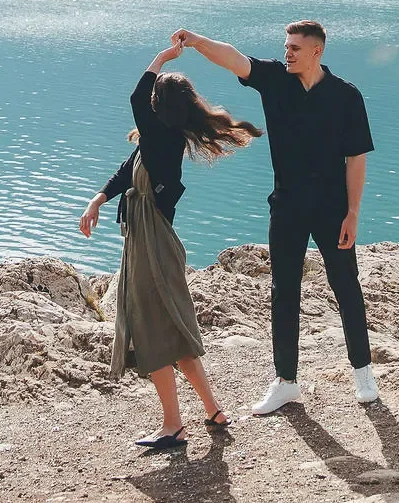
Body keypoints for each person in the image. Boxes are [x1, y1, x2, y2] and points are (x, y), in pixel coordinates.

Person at [172, 21, 379, 414]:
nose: (287, 53)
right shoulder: (275, 80)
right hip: (286, 206)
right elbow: (233, 58)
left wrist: (353, 212)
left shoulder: (346, 96)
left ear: (317, 51)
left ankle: (363, 372)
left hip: (333, 209)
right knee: (284, 291)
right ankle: (286, 381)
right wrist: (197, 41)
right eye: (286, 46)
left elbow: (356, 158)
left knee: (346, 286)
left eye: (295, 48)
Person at [79, 43, 262, 450]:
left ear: (158, 105)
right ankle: (213, 411)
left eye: (153, 97)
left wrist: (162, 58)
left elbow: (135, 98)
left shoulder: (162, 138)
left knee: (151, 330)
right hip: (151, 242)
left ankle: (173, 426)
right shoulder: (157, 140)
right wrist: (98, 200)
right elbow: (127, 170)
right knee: (173, 331)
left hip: (153, 246)